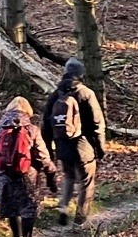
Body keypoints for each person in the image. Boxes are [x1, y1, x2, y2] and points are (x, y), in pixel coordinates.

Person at [42, 58, 106, 225]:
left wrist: (50, 151)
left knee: (69, 177)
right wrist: (100, 149)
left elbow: (45, 126)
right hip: (83, 146)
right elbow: (98, 123)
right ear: (81, 74)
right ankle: (80, 220)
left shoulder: (56, 94)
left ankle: (63, 207)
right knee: (86, 181)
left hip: (62, 146)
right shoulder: (86, 93)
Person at [0, 94, 55, 237]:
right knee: (27, 210)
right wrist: (50, 173)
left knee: (12, 209)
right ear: (28, 111)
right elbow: (43, 156)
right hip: (28, 176)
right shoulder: (32, 130)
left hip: (3, 176)